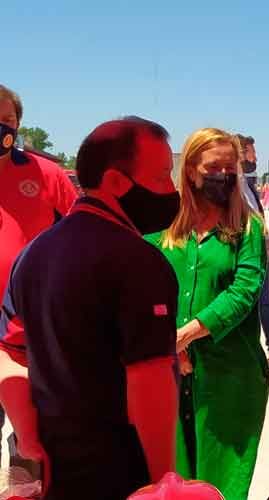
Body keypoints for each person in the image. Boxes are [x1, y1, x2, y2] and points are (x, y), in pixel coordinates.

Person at [0, 116, 181, 499]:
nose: (172, 190)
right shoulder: (139, 261)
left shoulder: (33, 253)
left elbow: (9, 352)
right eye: (163, 176)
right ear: (116, 182)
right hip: (120, 473)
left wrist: (29, 437)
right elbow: (149, 384)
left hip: (57, 472)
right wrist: (163, 482)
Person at [146, 128, 269, 499]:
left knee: (222, 484)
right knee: (173, 482)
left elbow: (244, 292)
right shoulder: (163, 231)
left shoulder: (247, 229)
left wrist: (187, 334)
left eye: (231, 167)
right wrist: (169, 341)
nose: (224, 175)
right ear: (191, 171)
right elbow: (146, 289)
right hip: (169, 378)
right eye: (214, 167)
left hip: (231, 378)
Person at [0, 84, 79, 464]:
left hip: (29, 330)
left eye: (7, 121)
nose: (1, 129)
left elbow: (85, 234)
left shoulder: (46, 174)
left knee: (33, 439)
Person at [236, 134, 269, 369]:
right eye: (252, 152)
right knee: (257, 302)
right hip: (247, 251)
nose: (256, 158)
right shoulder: (232, 186)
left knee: (264, 302)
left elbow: (256, 214)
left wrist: (266, 237)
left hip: (259, 248)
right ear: (240, 153)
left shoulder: (247, 184)